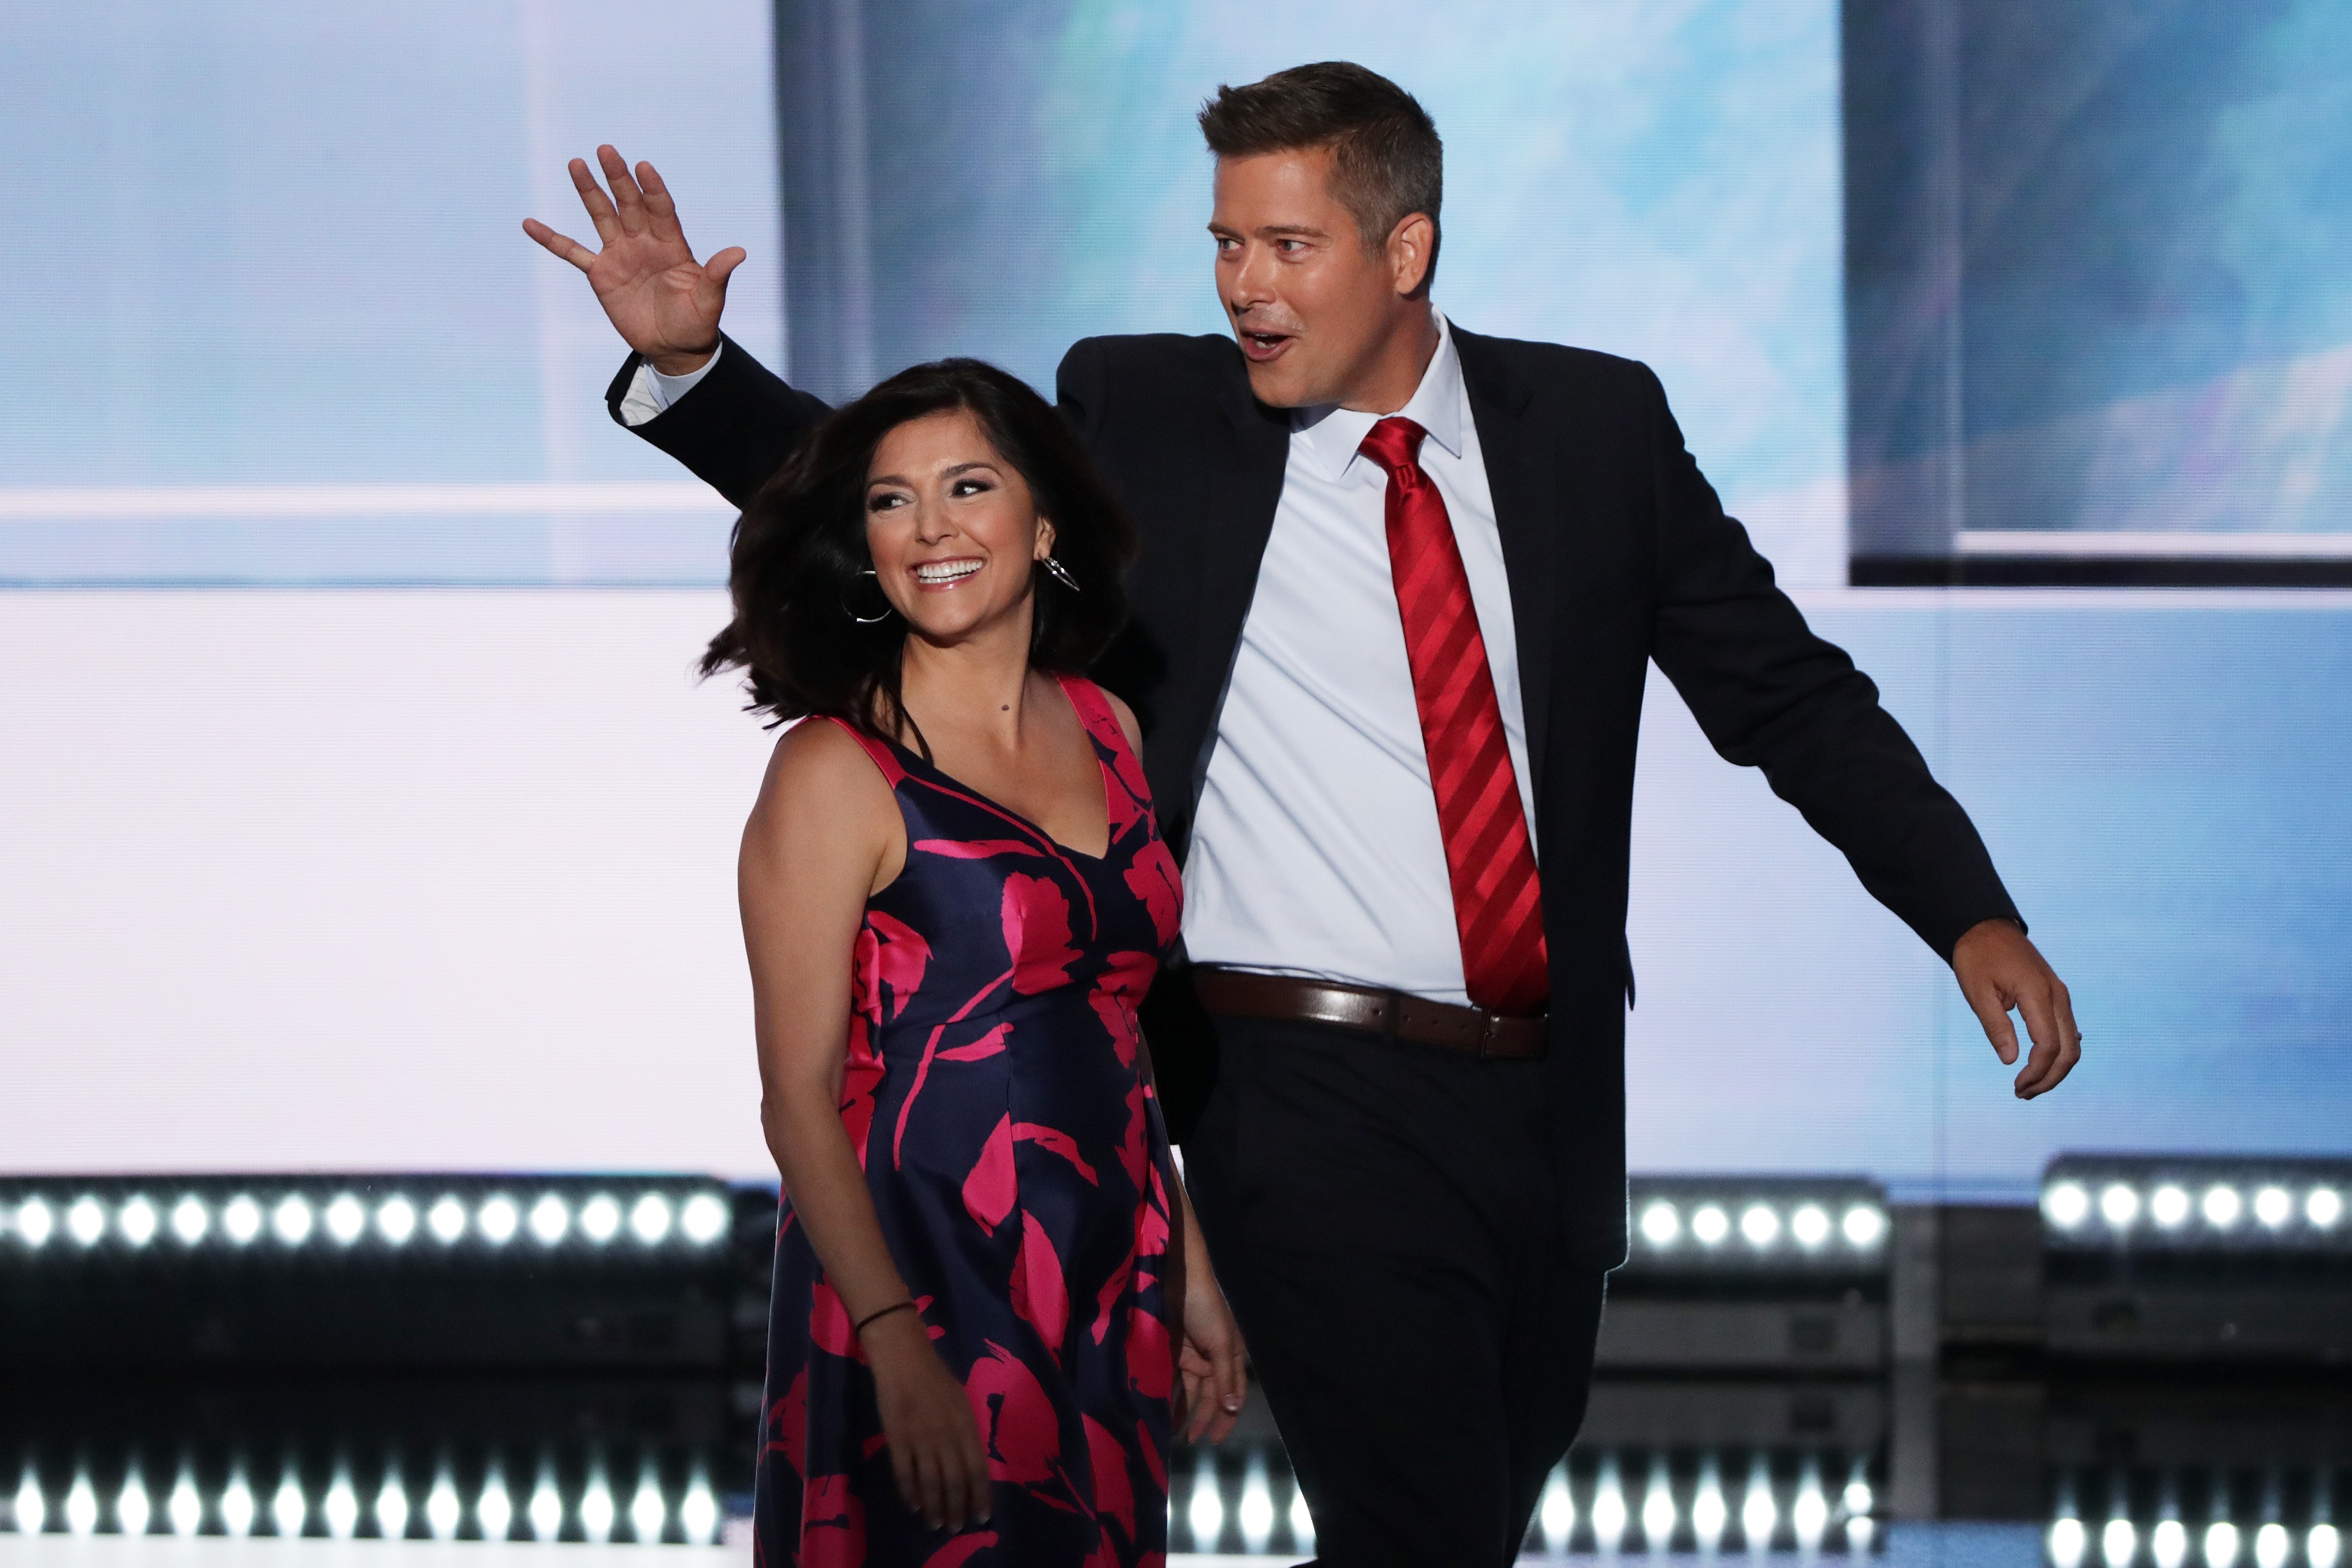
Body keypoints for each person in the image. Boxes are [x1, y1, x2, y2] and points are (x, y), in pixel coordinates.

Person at [526, 61, 2082, 1568]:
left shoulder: (1596, 432)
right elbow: (918, 494)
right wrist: (694, 373)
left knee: (1458, 1522)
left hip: (1539, 1104)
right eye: (1224, 243)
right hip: (1292, 1085)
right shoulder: (1149, 407)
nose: (1244, 286)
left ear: (1405, 250)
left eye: (1286, 246)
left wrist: (1966, 906)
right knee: (1419, 1526)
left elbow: (1782, 690)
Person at [709, 357, 1245, 1566]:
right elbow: (795, 1099)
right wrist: (892, 1335)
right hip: (922, 1274)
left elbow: (1118, 1025)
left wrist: (1191, 1260)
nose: (931, 528)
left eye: (966, 485)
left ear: (1040, 520)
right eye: (890, 500)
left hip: (1108, 1264)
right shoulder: (834, 767)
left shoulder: (1107, 725)